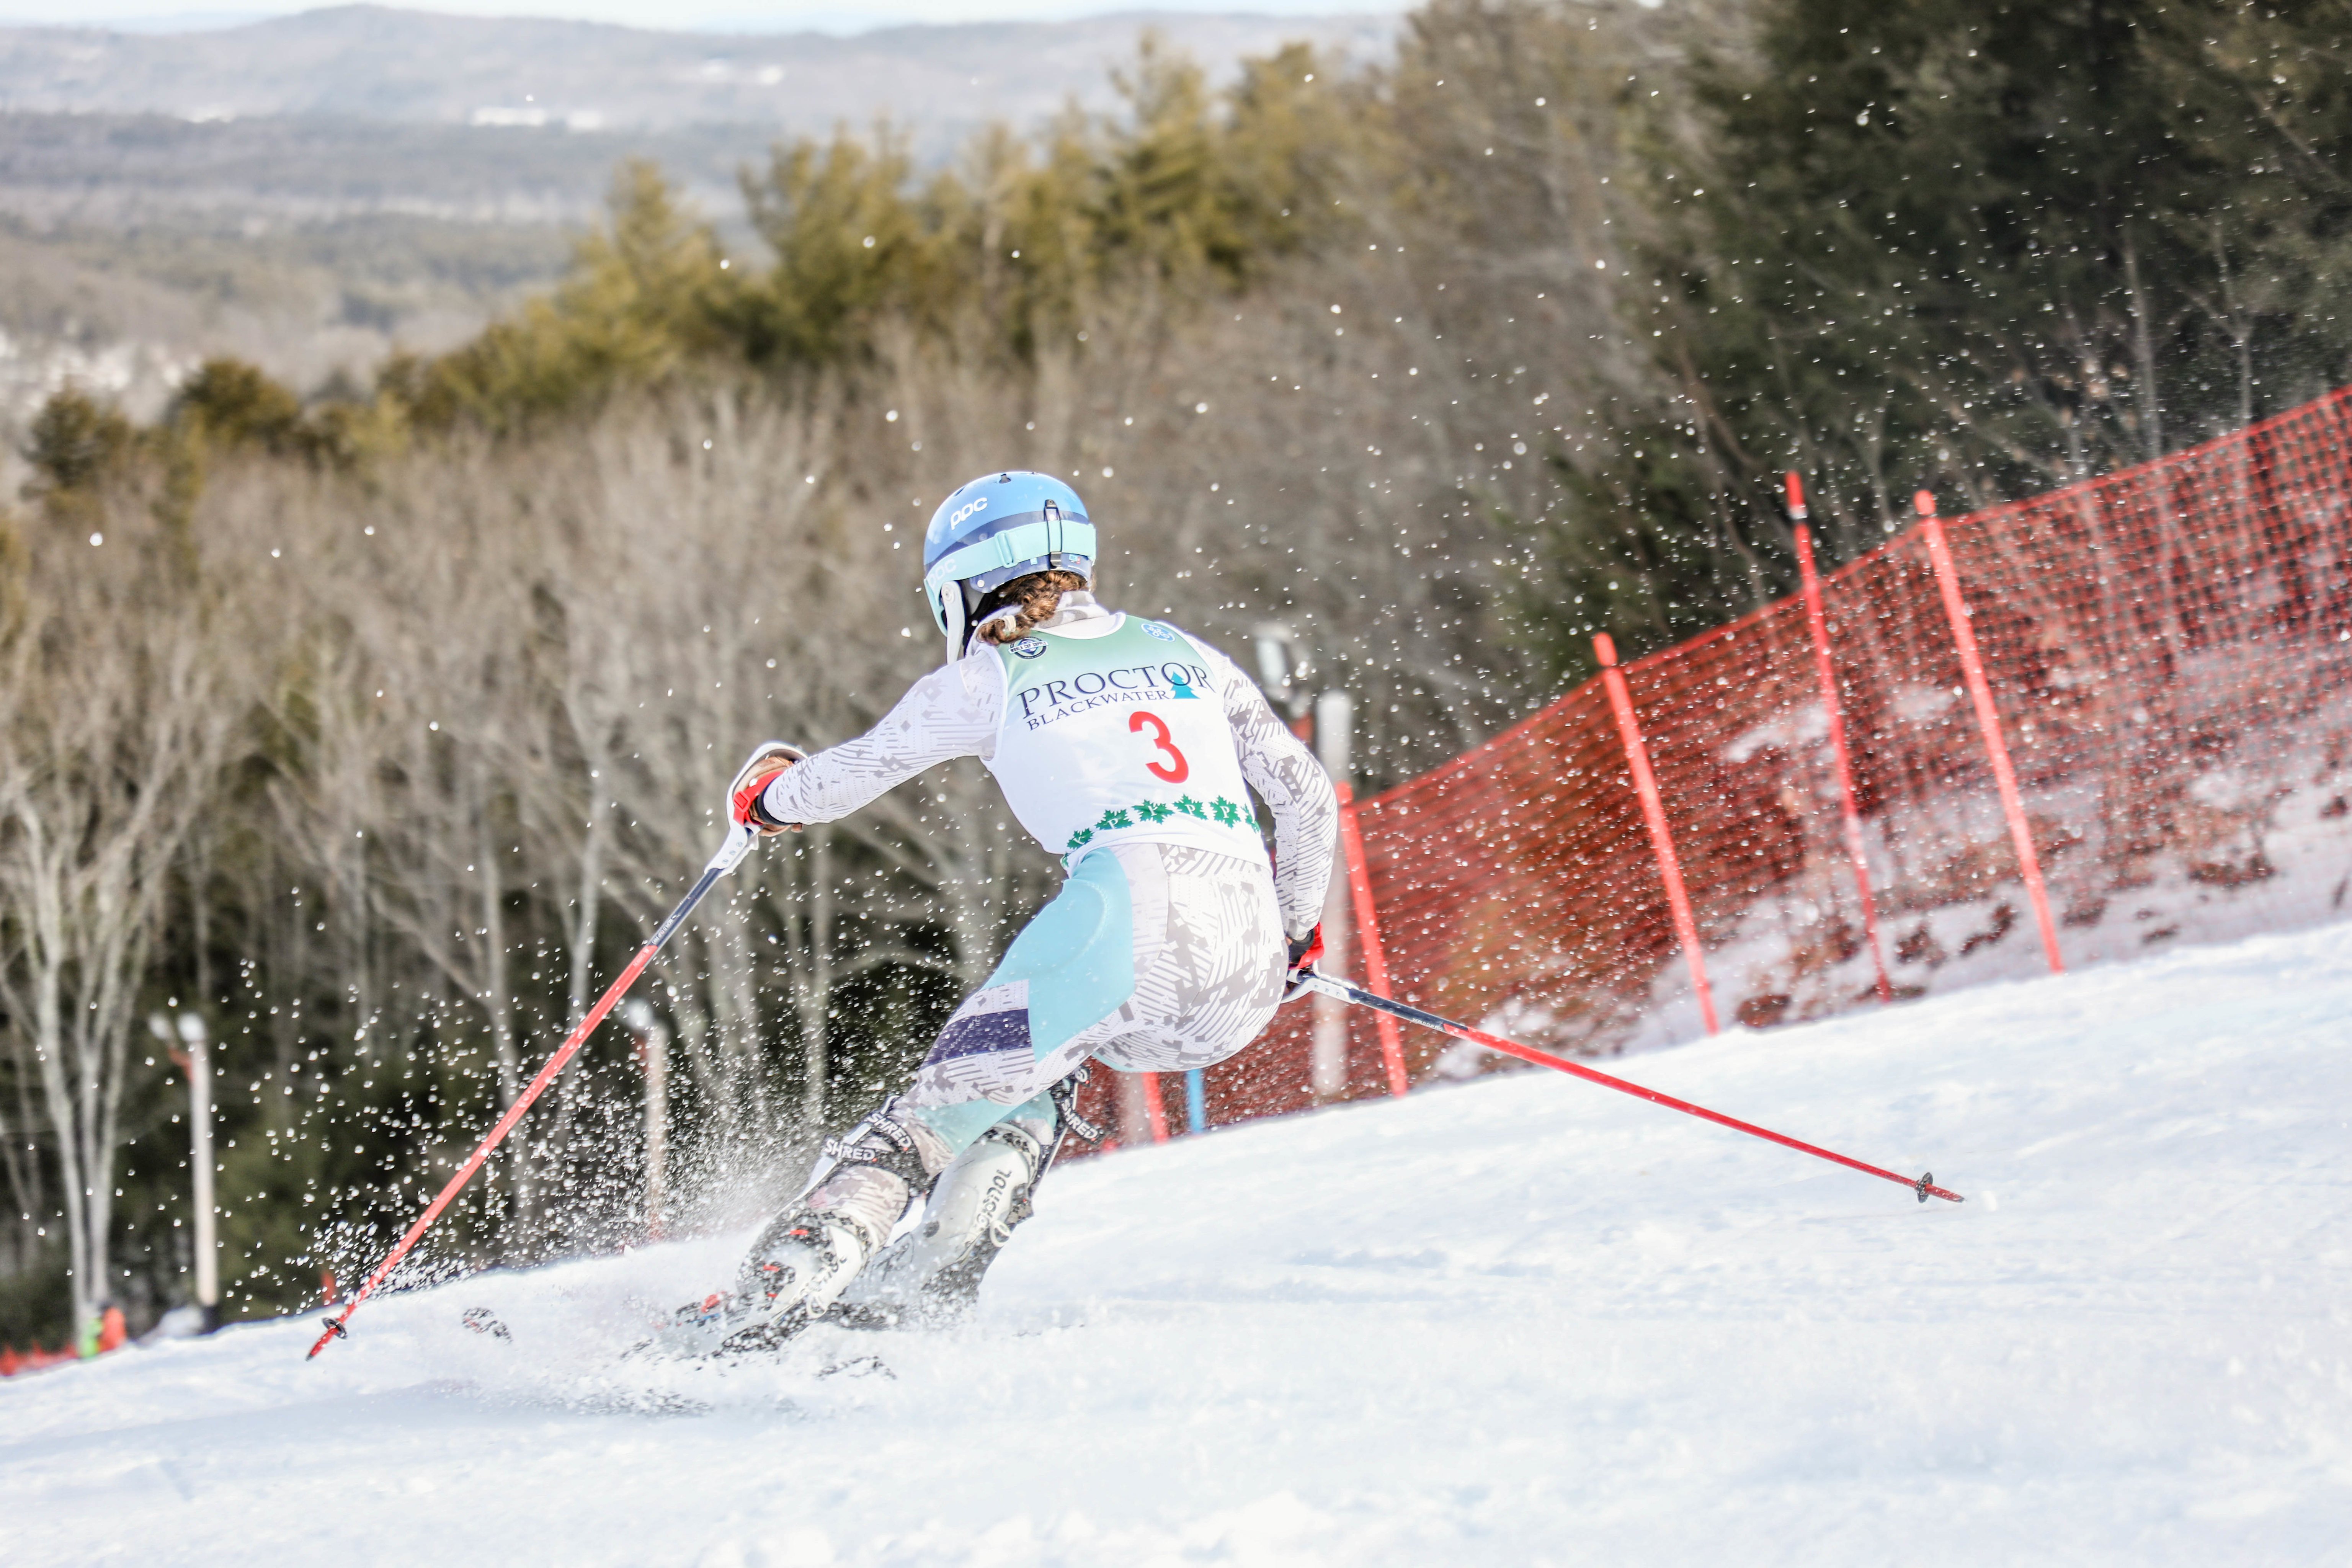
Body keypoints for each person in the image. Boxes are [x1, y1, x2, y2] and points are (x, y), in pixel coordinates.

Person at [659, 470, 1337, 1353]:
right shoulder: (1188, 652)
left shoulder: (987, 678)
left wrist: (765, 798)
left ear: (965, 583)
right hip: (1239, 973)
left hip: (1125, 920)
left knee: (924, 1120)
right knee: (1036, 1067)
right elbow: (1308, 797)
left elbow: (854, 773)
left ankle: (772, 1295)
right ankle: (935, 1278)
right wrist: (1290, 934)